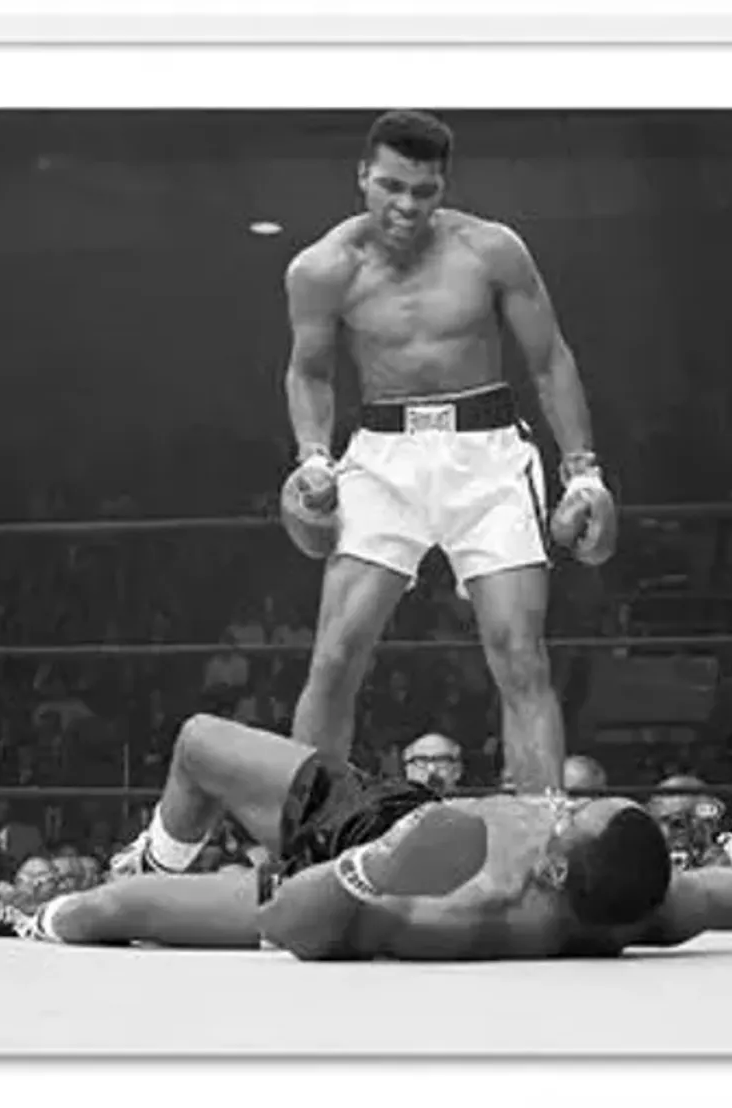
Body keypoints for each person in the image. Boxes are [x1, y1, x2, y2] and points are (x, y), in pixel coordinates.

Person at [276, 109, 616, 796]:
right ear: (364, 177)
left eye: (423, 191)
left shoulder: (490, 250)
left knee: (520, 654)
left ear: (442, 187)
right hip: (381, 454)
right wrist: (314, 455)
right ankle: (305, 840)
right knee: (337, 653)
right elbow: (309, 370)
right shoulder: (321, 268)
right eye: (392, 186)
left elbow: (549, 360)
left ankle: (540, 841)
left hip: (487, 453)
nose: (406, 205)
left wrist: (583, 470)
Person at [0, 715, 732, 960]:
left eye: (567, 817)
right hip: (381, 808)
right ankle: (149, 849)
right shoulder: (654, 898)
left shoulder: (472, 910)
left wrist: (373, 867)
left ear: (559, 866)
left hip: (341, 874)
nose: (553, 806)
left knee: (109, 912)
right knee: (199, 740)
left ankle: (22, 914)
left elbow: (289, 924)